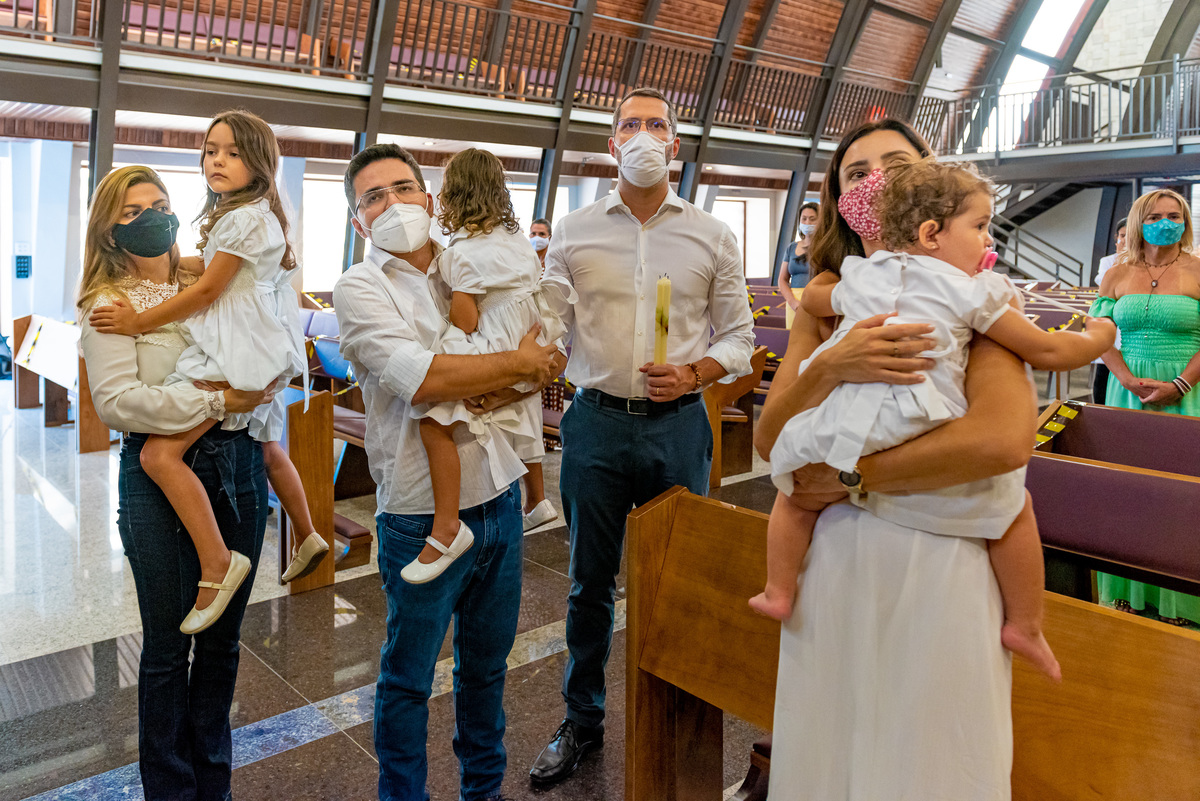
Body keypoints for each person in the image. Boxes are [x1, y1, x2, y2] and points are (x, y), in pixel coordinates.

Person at [758, 119, 1038, 799]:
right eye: (857, 172)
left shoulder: (970, 296)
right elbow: (770, 436)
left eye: (895, 163)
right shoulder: (826, 307)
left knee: (930, 759)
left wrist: (853, 477)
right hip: (835, 563)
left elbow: (1000, 440)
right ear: (839, 200)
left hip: (939, 559)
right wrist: (833, 368)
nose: (876, 181)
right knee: (828, 749)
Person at [752, 157, 1115, 682]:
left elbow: (814, 296)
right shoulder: (972, 290)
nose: (989, 239)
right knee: (1010, 507)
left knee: (791, 493)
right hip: (920, 420)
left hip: (845, 423)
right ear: (929, 233)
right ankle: (1026, 623)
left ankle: (778, 589)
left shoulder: (861, 275)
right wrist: (1102, 335)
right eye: (980, 226)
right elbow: (1050, 351)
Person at [530, 87, 756, 786]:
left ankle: (682, 714)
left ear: (676, 146)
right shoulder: (573, 230)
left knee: (681, 581)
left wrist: (695, 371)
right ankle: (582, 721)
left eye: (656, 125)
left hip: (677, 427)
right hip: (595, 420)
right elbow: (546, 327)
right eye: (630, 125)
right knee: (589, 583)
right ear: (611, 145)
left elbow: (742, 338)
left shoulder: (711, 234)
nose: (643, 135)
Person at [333, 143, 560, 801]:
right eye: (374, 197)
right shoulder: (360, 287)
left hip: (499, 495)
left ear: (430, 200)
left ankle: (482, 790)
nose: (394, 204)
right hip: (418, 511)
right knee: (408, 676)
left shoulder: (468, 262)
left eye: (404, 188)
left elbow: (541, 354)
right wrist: (515, 367)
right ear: (357, 221)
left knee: (486, 670)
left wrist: (520, 367)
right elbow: (424, 380)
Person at [89, 109, 327, 635]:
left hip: (237, 350)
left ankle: (219, 562)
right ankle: (305, 533)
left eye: (233, 152)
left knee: (159, 452)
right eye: (211, 150)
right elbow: (206, 267)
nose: (217, 160)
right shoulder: (244, 216)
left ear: (260, 164)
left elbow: (206, 289)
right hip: (254, 345)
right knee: (267, 447)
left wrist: (137, 322)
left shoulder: (242, 217)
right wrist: (166, 271)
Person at [78, 165, 274, 800]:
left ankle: (212, 783)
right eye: (133, 211)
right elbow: (119, 404)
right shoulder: (109, 305)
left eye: (160, 204)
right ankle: (169, 789)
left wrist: (245, 392)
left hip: (236, 466)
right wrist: (217, 401)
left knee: (221, 643)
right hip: (157, 477)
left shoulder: (207, 279)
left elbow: (260, 347)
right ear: (110, 231)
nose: (151, 217)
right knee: (167, 645)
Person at [409, 148, 571, 583]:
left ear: (451, 196)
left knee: (435, 417)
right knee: (518, 401)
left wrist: (444, 321)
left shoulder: (459, 253)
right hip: (532, 331)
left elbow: (467, 318)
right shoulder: (518, 240)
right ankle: (536, 498)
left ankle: (447, 525)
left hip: (497, 338)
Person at [1091, 189, 1200, 626]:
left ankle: (1185, 602)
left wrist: (1180, 382)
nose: (1165, 222)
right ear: (1138, 221)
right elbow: (1098, 332)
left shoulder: (1197, 270)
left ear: (1185, 221)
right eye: (1155, 215)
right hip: (1128, 394)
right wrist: (1124, 380)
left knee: (1184, 495)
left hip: (1189, 391)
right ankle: (1128, 596)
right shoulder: (1117, 275)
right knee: (1128, 496)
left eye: (1174, 215)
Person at [1092, 217, 1127, 403]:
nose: (1126, 240)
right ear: (1117, 238)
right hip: (1111, 325)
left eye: (1130, 236)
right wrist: (1121, 259)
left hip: (1129, 330)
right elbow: (1103, 283)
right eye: (1122, 236)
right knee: (1104, 375)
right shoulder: (1108, 261)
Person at [777, 201, 819, 328]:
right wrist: (793, 302)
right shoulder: (792, 247)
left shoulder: (826, 247)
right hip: (794, 303)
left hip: (816, 300)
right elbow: (782, 280)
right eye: (804, 219)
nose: (807, 223)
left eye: (812, 219)